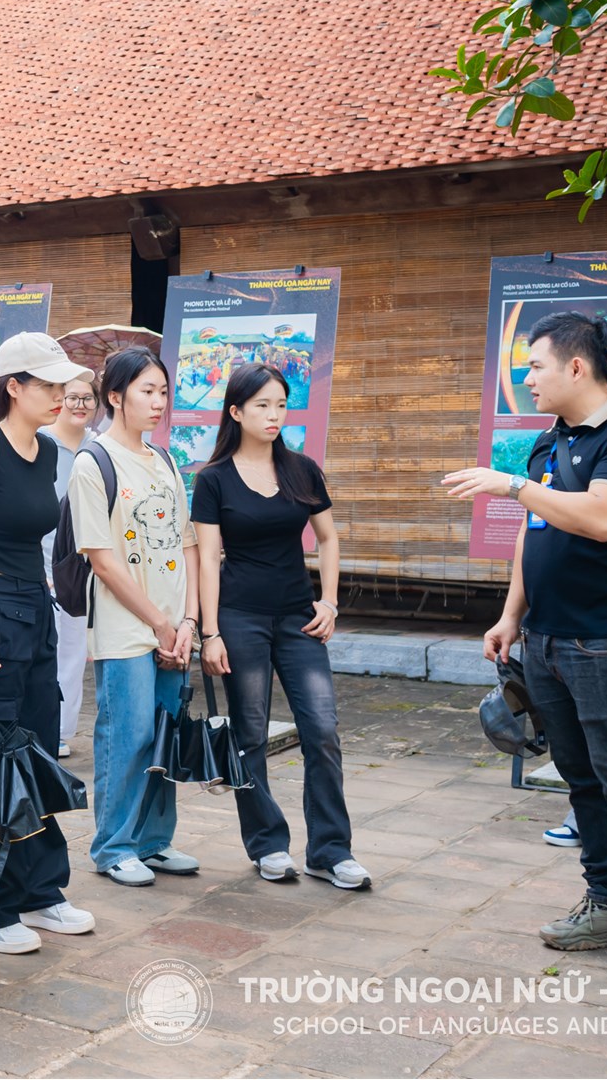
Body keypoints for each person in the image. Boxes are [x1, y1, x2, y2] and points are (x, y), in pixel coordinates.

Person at [446, 311, 607, 980]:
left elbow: (604, 518)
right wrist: (510, 615)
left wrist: (512, 485)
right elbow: (535, 532)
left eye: (534, 365)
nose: (526, 379)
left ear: (575, 368)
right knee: (581, 780)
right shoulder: (547, 443)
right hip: (549, 640)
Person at [0, 333, 96, 955]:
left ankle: (40, 890)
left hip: (34, 607)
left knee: (36, 750)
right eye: (51, 385)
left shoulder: (44, 452)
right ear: (14, 387)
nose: (64, 395)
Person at [195, 363, 367, 892]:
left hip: (299, 619)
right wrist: (210, 633)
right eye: (262, 405)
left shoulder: (302, 469)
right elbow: (206, 560)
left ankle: (330, 850)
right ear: (236, 411)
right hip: (239, 619)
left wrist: (331, 601)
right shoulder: (212, 478)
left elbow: (329, 539)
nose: (273, 415)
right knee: (249, 734)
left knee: (323, 730)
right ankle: (267, 844)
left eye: (280, 405)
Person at [71, 348, 200, 887]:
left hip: (174, 625)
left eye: (163, 392)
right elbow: (102, 559)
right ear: (116, 396)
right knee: (129, 733)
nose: (158, 402)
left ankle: (154, 840)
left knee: (165, 733)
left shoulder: (166, 460)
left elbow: (189, 545)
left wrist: (189, 621)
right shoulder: (93, 463)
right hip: (127, 626)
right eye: (146, 391)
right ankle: (114, 845)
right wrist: (159, 622)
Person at [40, 376, 96, 754]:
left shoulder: (100, 446)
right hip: (40, 561)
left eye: (87, 398)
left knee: (74, 651)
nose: (79, 404)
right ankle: (38, 723)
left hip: (82, 567)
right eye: (72, 397)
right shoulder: (41, 442)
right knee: (44, 649)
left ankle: (61, 730)